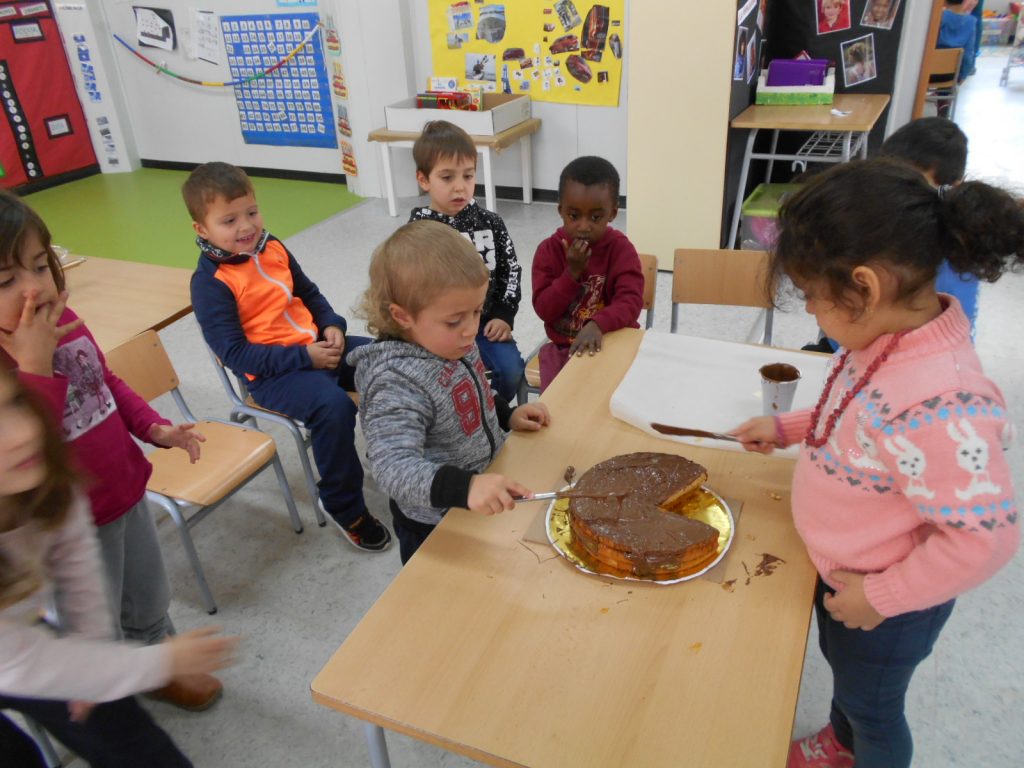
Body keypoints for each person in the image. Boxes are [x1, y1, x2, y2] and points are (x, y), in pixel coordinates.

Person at [731, 159, 1021, 768]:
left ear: (864, 287)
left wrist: (883, 595)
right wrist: (787, 428)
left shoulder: (940, 402)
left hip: (892, 605)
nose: (811, 312)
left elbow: (986, 540)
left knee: (876, 709)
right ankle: (841, 743)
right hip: (847, 575)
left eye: (812, 296)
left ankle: (860, 743)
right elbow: (858, 418)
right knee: (849, 683)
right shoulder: (884, 340)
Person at [0, 189, 225, 711]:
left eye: (41, 265)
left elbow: (104, 380)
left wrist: (154, 427)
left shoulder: (64, 320)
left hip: (125, 487)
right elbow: (28, 448)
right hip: (67, 525)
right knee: (94, 619)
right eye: (6, 280)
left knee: (147, 592)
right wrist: (33, 365)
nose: (35, 287)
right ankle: (116, 685)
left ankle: (156, 659)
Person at [0, 367, 236, 767]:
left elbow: (79, 573)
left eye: (15, 403)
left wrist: (96, 661)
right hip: (14, 650)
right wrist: (156, 662)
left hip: (20, 635)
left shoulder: (45, 478)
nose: (22, 433)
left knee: (132, 740)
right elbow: (23, 664)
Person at [184, 162, 391, 552]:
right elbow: (236, 355)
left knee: (391, 359)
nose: (246, 226)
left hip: (316, 347)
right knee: (334, 408)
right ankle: (343, 505)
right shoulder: (210, 284)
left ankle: (391, 454)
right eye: (229, 220)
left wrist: (331, 324)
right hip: (274, 375)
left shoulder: (273, 246)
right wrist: (304, 357)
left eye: (251, 212)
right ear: (202, 229)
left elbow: (308, 293)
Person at [351, 220, 550, 564]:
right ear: (402, 316)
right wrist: (466, 487)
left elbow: (472, 391)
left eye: (477, 311)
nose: (471, 329)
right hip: (433, 523)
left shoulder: (453, 342)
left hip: (478, 493)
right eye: (455, 320)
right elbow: (393, 468)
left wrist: (506, 414)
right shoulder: (394, 382)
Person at [408, 121, 525, 402]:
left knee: (511, 371)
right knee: (438, 383)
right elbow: (409, 287)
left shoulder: (491, 223)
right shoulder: (417, 232)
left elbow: (510, 270)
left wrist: (504, 315)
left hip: (486, 326)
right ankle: (458, 420)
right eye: (447, 177)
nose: (460, 187)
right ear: (424, 180)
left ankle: (493, 415)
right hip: (438, 330)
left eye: (468, 176)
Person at [532, 156, 643, 391]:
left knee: (617, 395)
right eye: (574, 216)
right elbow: (544, 309)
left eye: (595, 217)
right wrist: (571, 274)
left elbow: (631, 301)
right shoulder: (549, 251)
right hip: (565, 346)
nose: (583, 226)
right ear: (561, 210)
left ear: (612, 213)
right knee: (562, 400)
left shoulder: (621, 249)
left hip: (613, 338)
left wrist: (598, 324)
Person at [879, 117, 981, 333]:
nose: (894, 193)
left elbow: (950, 332)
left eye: (912, 185)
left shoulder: (954, 252)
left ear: (951, 189)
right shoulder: (877, 219)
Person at [939, 0, 979, 82]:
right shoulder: (971, 22)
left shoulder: (940, 16)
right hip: (952, 75)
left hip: (928, 71)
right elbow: (968, 54)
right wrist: (963, 76)